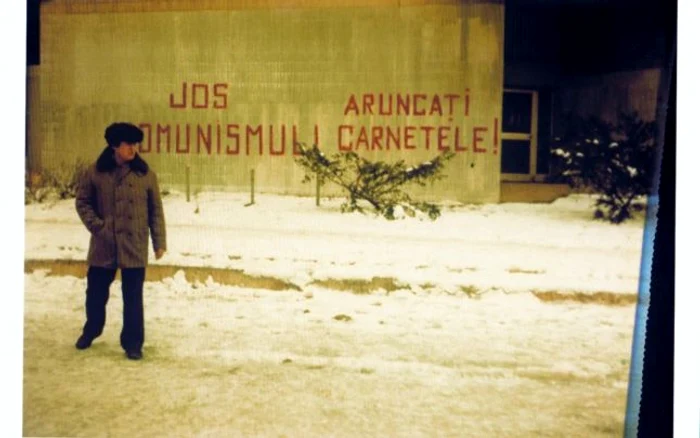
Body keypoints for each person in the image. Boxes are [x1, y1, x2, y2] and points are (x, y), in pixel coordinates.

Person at [74, 122, 167, 360]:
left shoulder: (145, 174)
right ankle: (92, 329)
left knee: (133, 297)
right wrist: (99, 227)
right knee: (95, 293)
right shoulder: (95, 172)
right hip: (104, 244)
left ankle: (133, 343)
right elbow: (82, 202)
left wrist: (159, 242)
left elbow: (155, 210)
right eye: (128, 144)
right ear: (115, 145)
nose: (133, 149)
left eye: (136, 144)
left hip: (134, 244)